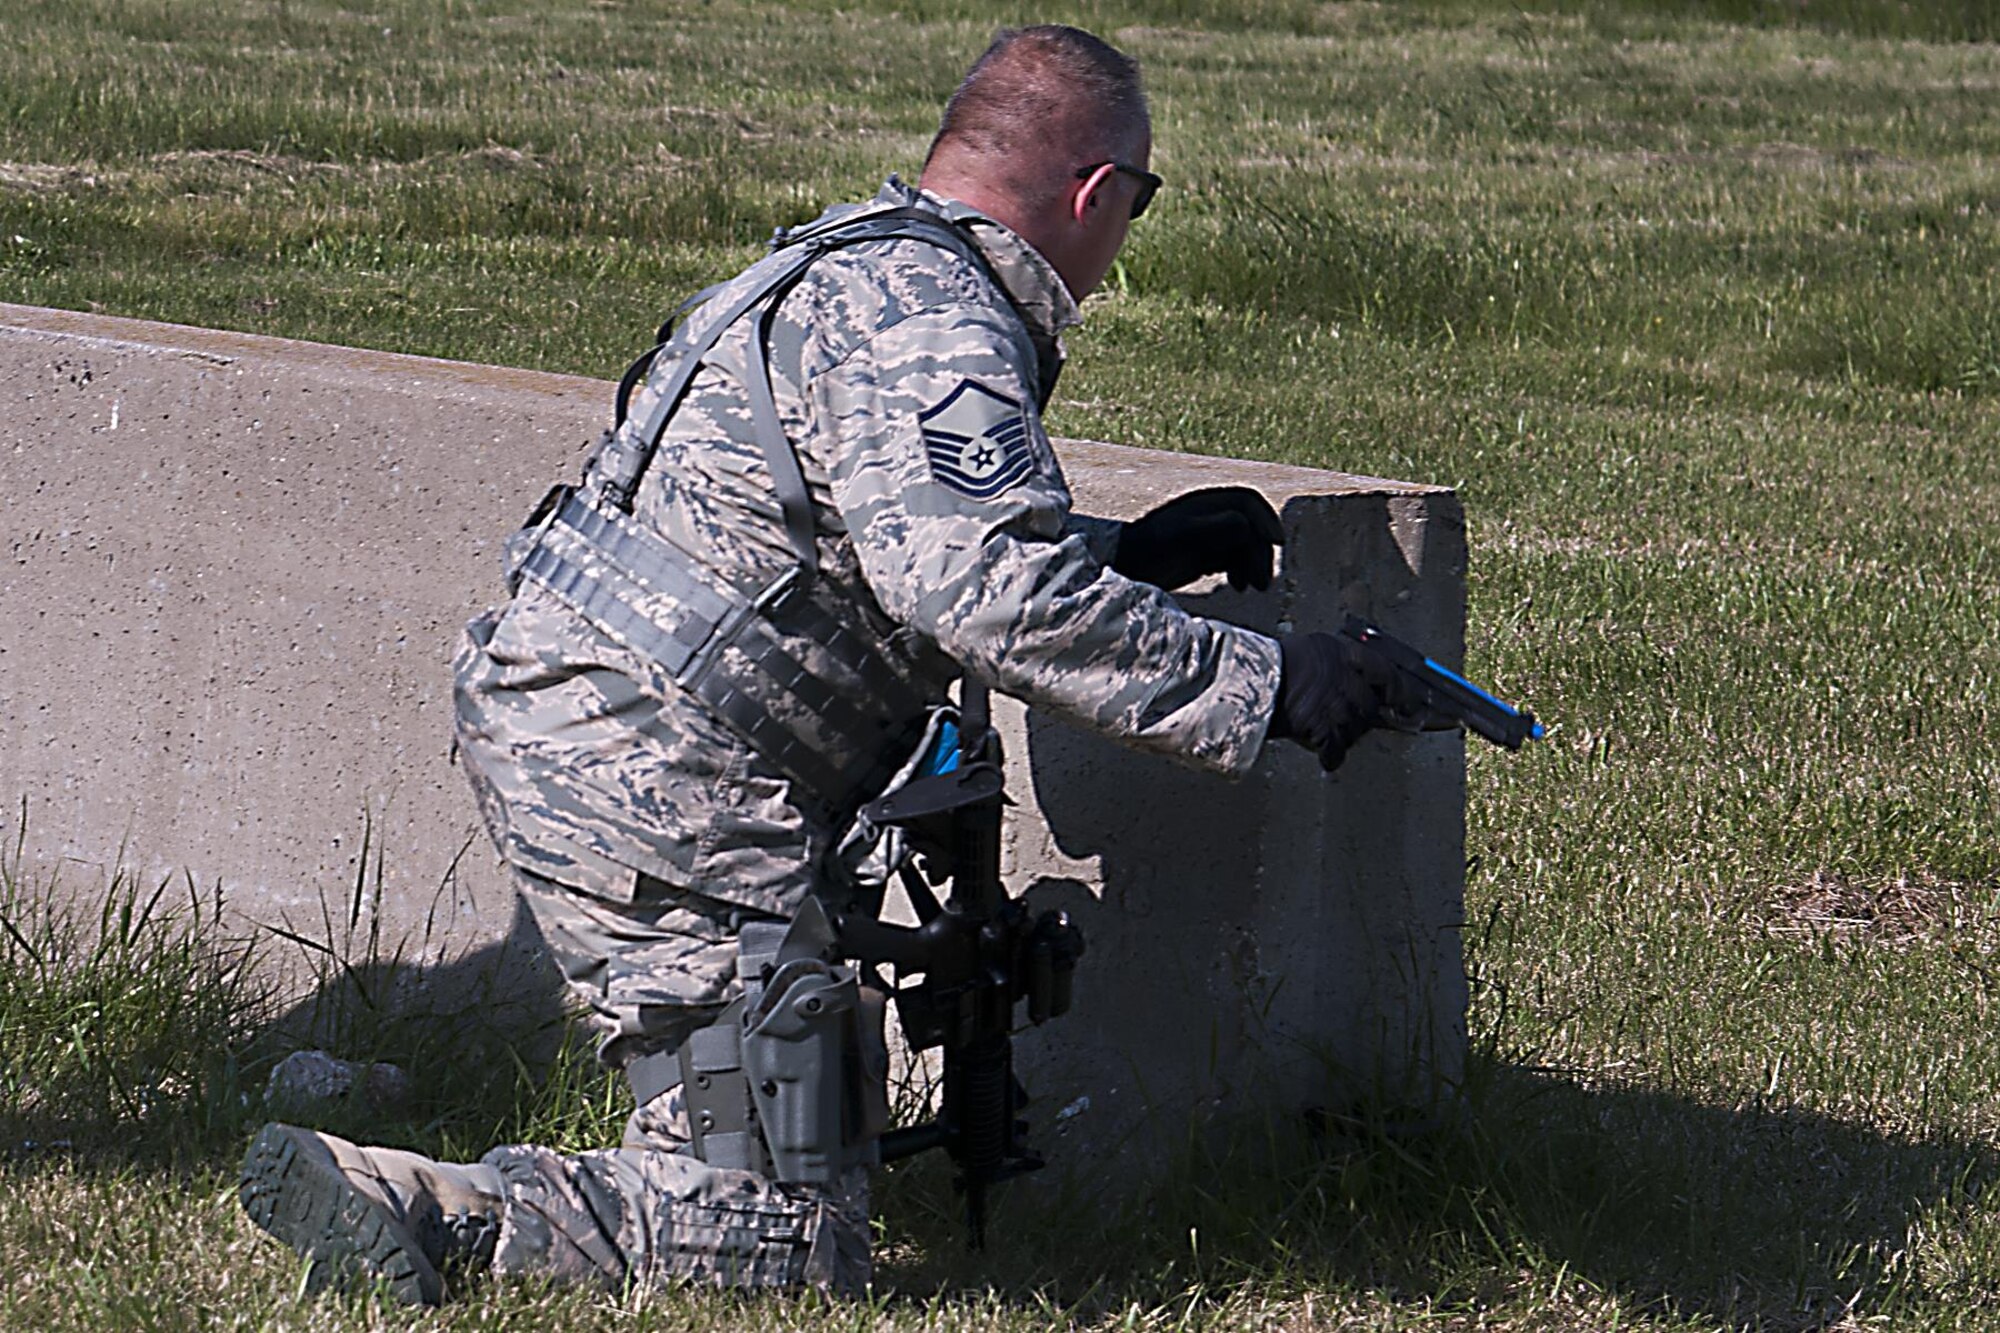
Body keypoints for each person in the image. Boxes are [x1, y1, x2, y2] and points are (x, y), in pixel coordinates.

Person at [237, 24, 1414, 1306]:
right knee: (789, 1242)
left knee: (798, 1117)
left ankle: (371, 1090)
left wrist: (1121, 549)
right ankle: (429, 1202)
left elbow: (874, 531)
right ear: (1094, 189)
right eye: (1139, 197)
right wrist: (1265, 683)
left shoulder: (857, 265)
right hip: (662, 773)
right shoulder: (936, 319)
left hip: (609, 721)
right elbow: (975, 585)